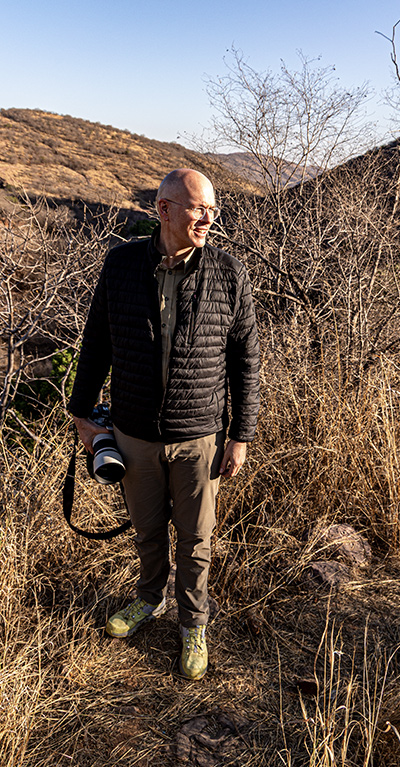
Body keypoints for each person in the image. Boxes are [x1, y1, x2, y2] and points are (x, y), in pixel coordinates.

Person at [68, 168, 260, 680]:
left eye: (213, 209)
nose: (208, 218)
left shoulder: (229, 273)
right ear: (165, 210)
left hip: (200, 436)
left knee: (196, 539)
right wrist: (82, 415)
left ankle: (193, 624)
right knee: (148, 530)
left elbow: (246, 361)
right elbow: (96, 344)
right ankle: (148, 599)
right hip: (133, 433)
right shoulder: (121, 265)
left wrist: (241, 434)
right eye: (199, 207)